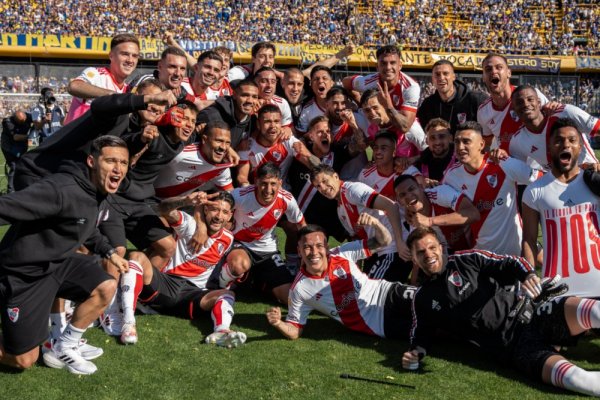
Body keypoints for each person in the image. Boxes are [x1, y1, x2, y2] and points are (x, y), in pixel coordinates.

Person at [403, 226, 600, 397]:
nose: (428, 255)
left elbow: (511, 262)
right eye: (420, 252)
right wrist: (415, 354)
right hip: (515, 347)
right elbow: (420, 334)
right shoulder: (422, 298)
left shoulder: (467, 259)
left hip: (533, 312)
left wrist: (529, 274)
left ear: (440, 246)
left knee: (595, 311)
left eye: (431, 247)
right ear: (414, 258)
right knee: (578, 381)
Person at [0, 135, 129, 375]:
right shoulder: (60, 189)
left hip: (58, 264)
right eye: (111, 161)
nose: (118, 168)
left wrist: (109, 252)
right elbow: (6, 207)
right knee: (22, 360)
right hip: (24, 274)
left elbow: (84, 225)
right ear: (92, 161)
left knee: (106, 286)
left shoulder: (98, 191)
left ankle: (63, 345)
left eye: (123, 163)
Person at [118, 191, 249, 347]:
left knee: (227, 295)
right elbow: (163, 209)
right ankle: (128, 322)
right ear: (205, 210)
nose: (218, 216)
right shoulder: (189, 224)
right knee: (136, 256)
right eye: (215, 209)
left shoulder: (228, 239)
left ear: (230, 216)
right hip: (167, 284)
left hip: (192, 295)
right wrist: (185, 200)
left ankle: (221, 331)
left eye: (224, 212)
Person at [265, 219, 415, 340]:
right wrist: (278, 323)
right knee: (429, 331)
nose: (314, 252)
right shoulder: (299, 288)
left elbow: (384, 241)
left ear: (326, 247)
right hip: (378, 323)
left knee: (428, 300)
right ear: (299, 251)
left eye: (319, 246)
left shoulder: (342, 252)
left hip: (386, 292)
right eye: (307, 247)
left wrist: (376, 224)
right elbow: (295, 330)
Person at [522, 118, 600, 298]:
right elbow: (529, 240)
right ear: (549, 147)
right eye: (559, 140)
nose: (566, 144)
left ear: (580, 147)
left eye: (572, 140)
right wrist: (530, 273)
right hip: (558, 290)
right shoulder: (534, 191)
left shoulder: (594, 183)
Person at [443, 121, 542, 255]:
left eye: (466, 141)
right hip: (480, 256)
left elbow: (542, 179)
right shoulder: (451, 175)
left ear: (482, 144)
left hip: (514, 253)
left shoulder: (503, 163)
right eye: (457, 142)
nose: (460, 147)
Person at [231, 162, 305, 304]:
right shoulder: (240, 195)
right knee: (238, 265)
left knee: (291, 300)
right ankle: (219, 287)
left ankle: (259, 283)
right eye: (264, 183)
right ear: (256, 181)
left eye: (273, 184)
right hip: (241, 245)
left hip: (268, 251)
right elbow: (217, 205)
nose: (268, 189)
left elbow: (301, 225)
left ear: (280, 183)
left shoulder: (287, 199)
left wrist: (305, 253)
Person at [311, 163, 411, 265]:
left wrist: (400, 242)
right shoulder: (340, 210)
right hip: (378, 251)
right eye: (318, 186)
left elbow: (391, 206)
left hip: (394, 247)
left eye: (324, 181)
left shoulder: (352, 190)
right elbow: (358, 240)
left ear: (335, 176)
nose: (322, 188)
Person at [508, 85, 599, 170]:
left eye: (530, 99)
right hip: (558, 185)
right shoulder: (517, 141)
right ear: (514, 109)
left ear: (539, 102)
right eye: (519, 102)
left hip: (590, 177)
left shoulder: (566, 112)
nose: (525, 104)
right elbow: (518, 172)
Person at [394, 174, 480, 259]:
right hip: (450, 259)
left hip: (476, 251)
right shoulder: (412, 220)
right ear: (400, 202)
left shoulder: (440, 193)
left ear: (421, 187)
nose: (408, 196)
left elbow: (474, 214)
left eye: (411, 189)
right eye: (402, 195)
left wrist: (430, 221)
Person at [476, 53, 548, 150]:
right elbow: (487, 144)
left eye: (499, 67)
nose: (493, 72)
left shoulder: (532, 96)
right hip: (509, 164)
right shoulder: (483, 112)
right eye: (488, 69)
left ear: (509, 73)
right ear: (483, 77)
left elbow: (552, 122)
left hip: (538, 163)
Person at [343, 45, 421, 135]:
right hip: (379, 123)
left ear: (400, 65)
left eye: (393, 63)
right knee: (353, 116)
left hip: (401, 128)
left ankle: (424, 148)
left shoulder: (410, 87)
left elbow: (405, 127)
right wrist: (358, 101)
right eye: (383, 63)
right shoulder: (368, 82)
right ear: (377, 67)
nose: (388, 67)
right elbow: (346, 82)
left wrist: (388, 106)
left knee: (414, 131)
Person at [64, 33, 140, 124]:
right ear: (111, 56)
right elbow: (74, 86)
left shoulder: (128, 88)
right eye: (125, 54)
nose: (130, 60)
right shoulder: (96, 74)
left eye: (135, 56)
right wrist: (113, 95)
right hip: (77, 137)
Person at [236, 104, 319, 186]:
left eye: (276, 121)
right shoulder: (247, 146)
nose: (273, 126)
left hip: (283, 193)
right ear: (258, 124)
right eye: (267, 122)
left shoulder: (288, 140)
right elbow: (242, 178)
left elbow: (313, 164)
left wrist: (306, 154)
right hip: (257, 193)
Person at [154, 120, 235, 199]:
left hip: (178, 205)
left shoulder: (221, 167)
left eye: (227, 143)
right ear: (204, 139)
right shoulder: (181, 153)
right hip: (151, 199)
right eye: (219, 141)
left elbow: (231, 194)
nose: (223, 147)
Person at [417, 60, 488, 136]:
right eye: (437, 74)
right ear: (432, 79)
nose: (441, 78)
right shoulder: (428, 105)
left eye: (445, 74)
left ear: (453, 77)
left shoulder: (476, 99)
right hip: (441, 147)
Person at [360, 89, 427, 163]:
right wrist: (370, 160)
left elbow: (429, 151)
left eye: (375, 107)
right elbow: (369, 148)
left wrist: (409, 161)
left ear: (384, 105)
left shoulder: (408, 125)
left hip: (412, 171)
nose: (372, 113)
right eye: (367, 110)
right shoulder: (372, 128)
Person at [196, 78, 259, 149]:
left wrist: (237, 148)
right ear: (234, 95)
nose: (250, 101)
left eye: (254, 97)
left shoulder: (252, 122)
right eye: (245, 95)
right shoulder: (211, 115)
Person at [412, 118, 456, 183]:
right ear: (427, 141)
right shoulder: (419, 164)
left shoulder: (460, 160)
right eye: (432, 138)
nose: (437, 142)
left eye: (442, 137)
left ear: (450, 138)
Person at [295, 66, 335, 134]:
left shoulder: (342, 103)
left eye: (324, 78)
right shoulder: (307, 110)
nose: (320, 81)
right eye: (316, 79)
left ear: (332, 83)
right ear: (311, 84)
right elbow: (300, 135)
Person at [1, 110, 31, 193]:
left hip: (21, 146)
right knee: (14, 166)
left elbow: (37, 121)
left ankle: (21, 187)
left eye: (24, 120)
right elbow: (16, 137)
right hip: (9, 147)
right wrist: (30, 136)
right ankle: (11, 190)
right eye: (20, 121)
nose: (23, 122)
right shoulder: (7, 122)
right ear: (15, 119)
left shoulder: (28, 117)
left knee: (23, 165)